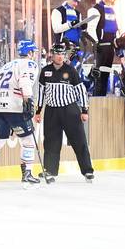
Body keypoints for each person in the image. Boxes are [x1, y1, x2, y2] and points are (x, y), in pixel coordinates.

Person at [0, 40, 42, 185]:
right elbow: (25, 80)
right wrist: (27, 100)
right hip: (15, 106)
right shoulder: (29, 64)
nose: (34, 55)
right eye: (34, 52)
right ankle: (27, 173)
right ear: (30, 52)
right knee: (28, 140)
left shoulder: (6, 66)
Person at [35, 44, 95, 183]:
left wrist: (84, 110)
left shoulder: (71, 70)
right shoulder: (45, 71)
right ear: (52, 55)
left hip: (70, 111)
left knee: (79, 141)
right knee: (51, 143)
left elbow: (81, 91)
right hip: (51, 111)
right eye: (57, 54)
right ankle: (50, 170)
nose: (60, 56)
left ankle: (87, 171)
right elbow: (41, 93)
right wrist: (38, 111)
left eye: (62, 54)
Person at [82, 0, 118, 96]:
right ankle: (96, 97)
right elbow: (91, 28)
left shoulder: (113, 10)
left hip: (110, 46)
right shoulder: (96, 9)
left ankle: (102, 96)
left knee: (106, 72)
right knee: (99, 73)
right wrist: (96, 43)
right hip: (101, 45)